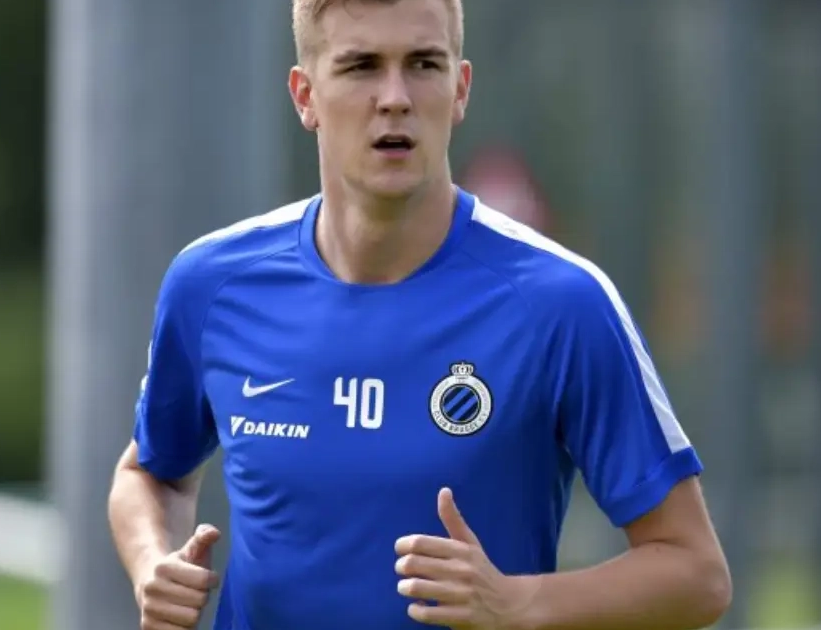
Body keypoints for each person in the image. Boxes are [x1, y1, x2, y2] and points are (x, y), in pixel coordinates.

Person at [108, 0, 731, 628]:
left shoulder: (560, 303)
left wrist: (518, 604)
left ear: (460, 89)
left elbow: (697, 573)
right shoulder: (212, 284)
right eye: (361, 66)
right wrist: (151, 563)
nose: (395, 98)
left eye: (423, 64)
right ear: (305, 96)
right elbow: (150, 473)